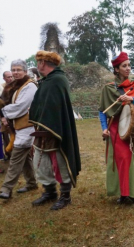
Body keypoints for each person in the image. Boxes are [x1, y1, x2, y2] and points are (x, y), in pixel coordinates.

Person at [28, 50, 81, 210]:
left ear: (43, 63)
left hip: (56, 130)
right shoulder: (46, 81)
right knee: (42, 161)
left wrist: (49, 125)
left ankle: (65, 196)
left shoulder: (58, 80)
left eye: (38, 62)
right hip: (42, 130)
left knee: (60, 162)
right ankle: (49, 192)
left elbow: (56, 107)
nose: (38, 66)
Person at [99, 52, 134, 207]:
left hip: (132, 128)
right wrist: (104, 128)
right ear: (116, 69)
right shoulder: (108, 89)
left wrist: (132, 99)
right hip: (115, 129)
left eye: (129, 65)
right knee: (121, 159)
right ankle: (123, 193)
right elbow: (102, 110)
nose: (128, 68)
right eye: (124, 66)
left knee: (133, 159)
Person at [0, 60, 38, 199]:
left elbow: (21, 106)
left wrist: (3, 111)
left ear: (25, 71)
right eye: (13, 69)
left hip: (27, 126)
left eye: (18, 70)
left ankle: (6, 188)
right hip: (19, 126)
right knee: (25, 157)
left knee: (16, 156)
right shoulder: (15, 86)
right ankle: (32, 183)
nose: (15, 72)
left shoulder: (30, 86)